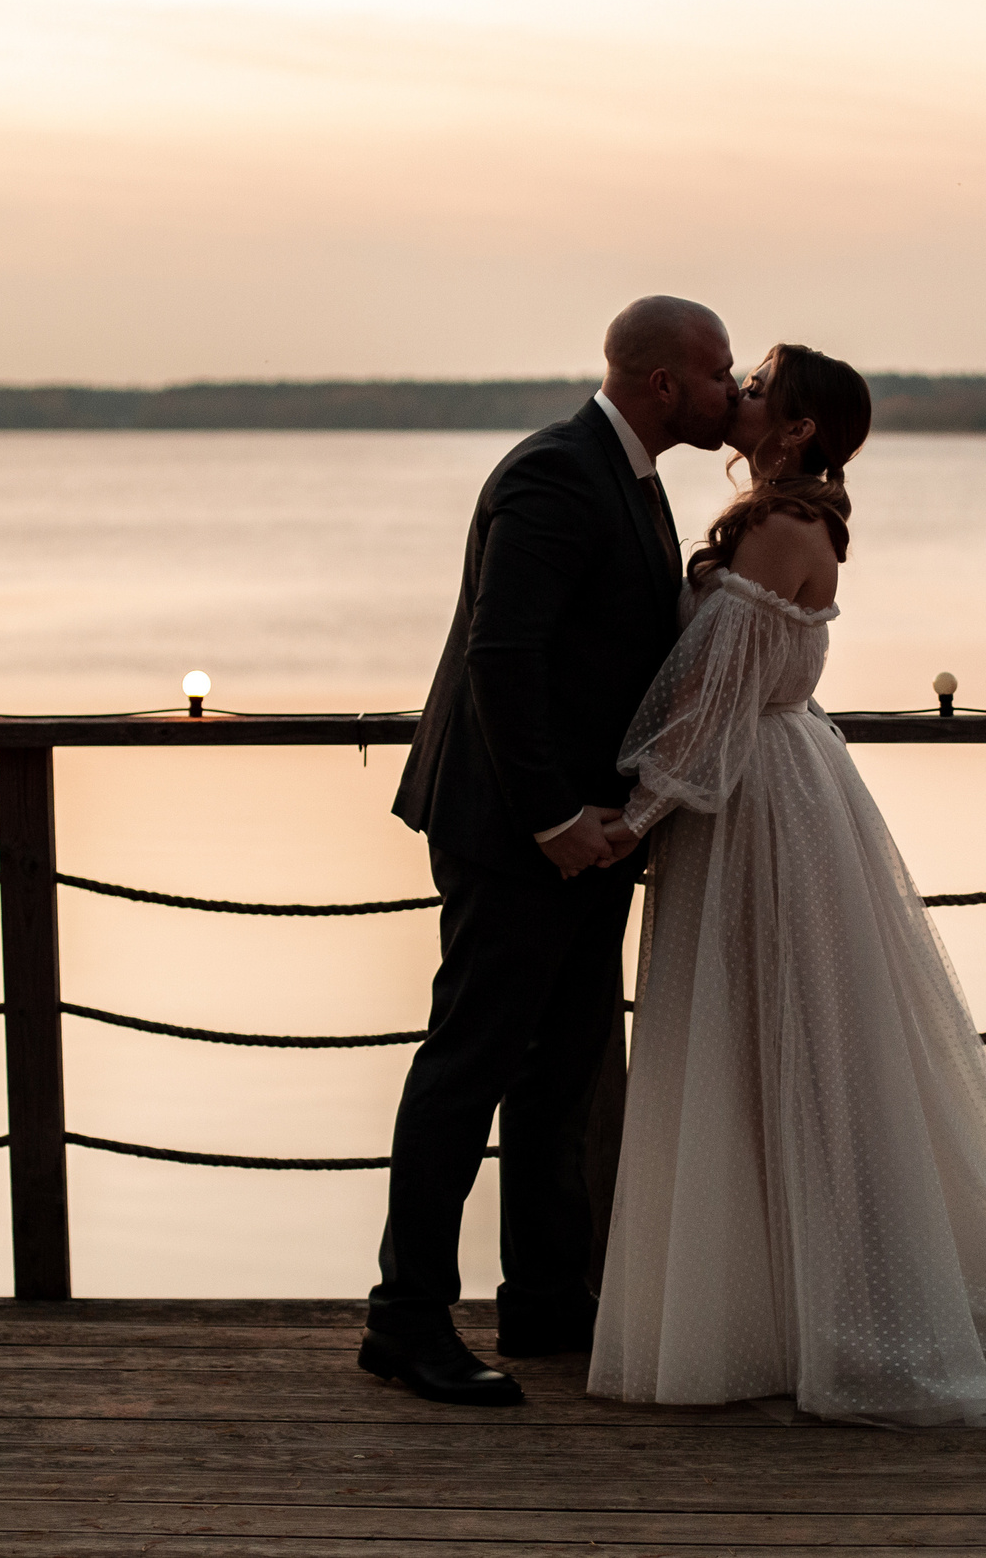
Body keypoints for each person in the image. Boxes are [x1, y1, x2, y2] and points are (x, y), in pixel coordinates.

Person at [586, 343, 986, 1427]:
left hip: (757, 805)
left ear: (800, 427)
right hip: (771, 785)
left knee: (778, 1043)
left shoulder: (780, 527)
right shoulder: (789, 519)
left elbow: (715, 697)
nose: (740, 394)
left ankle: (809, 1317)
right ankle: (772, 1309)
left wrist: (635, 816)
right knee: (770, 1042)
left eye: (758, 387)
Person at [364, 296, 742, 1406]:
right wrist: (551, 818)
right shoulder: (554, 473)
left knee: (563, 1068)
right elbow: (503, 653)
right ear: (665, 383)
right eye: (719, 373)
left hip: (589, 834)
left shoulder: (633, 477)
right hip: (513, 829)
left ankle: (541, 1295)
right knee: (468, 1064)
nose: (730, 393)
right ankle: (404, 1319)